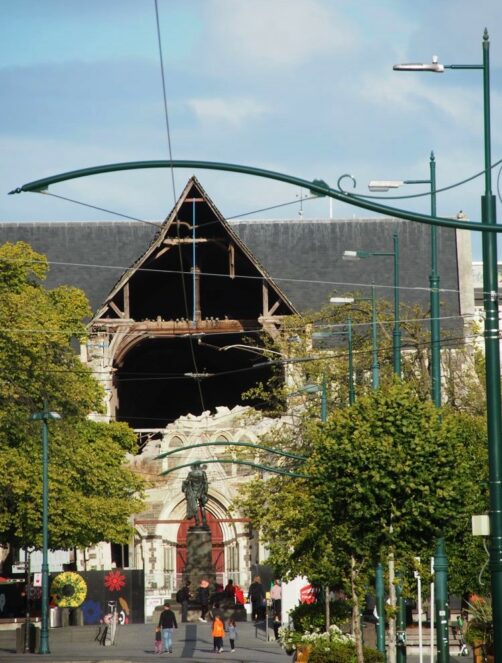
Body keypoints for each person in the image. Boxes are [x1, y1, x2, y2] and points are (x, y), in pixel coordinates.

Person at [182, 462, 209, 526]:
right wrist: (205, 492)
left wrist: (184, 487)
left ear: (194, 466)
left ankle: (197, 521)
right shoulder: (203, 473)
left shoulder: (191, 473)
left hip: (193, 492)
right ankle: (204, 521)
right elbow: (205, 483)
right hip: (201, 491)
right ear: (199, 466)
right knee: (202, 506)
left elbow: (187, 481)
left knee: (194, 506)